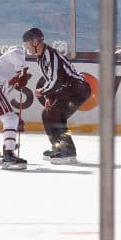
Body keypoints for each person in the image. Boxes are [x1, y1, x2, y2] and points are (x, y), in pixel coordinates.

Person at [22, 27, 90, 164]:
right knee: (47, 113)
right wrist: (49, 97)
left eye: (27, 44)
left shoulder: (50, 54)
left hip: (78, 88)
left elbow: (56, 80)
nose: (27, 47)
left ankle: (68, 151)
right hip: (68, 89)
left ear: (35, 42)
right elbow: (51, 79)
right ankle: (58, 147)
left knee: (54, 114)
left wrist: (42, 91)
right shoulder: (42, 57)